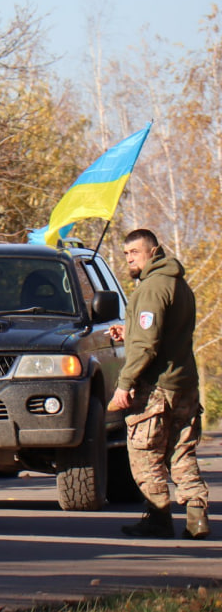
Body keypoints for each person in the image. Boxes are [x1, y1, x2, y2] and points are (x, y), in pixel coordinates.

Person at [107, 228, 209, 539]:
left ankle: (158, 517)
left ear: (153, 251)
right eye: (126, 255)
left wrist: (124, 385)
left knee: (144, 451)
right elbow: (162, 334)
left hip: (158, 388)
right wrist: (130, 332)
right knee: (181, 450)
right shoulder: (178, 283)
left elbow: (147, 346)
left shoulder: (152, 288)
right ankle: (196, 516)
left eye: (134, 253)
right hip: (184, 383)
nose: (129, 260)